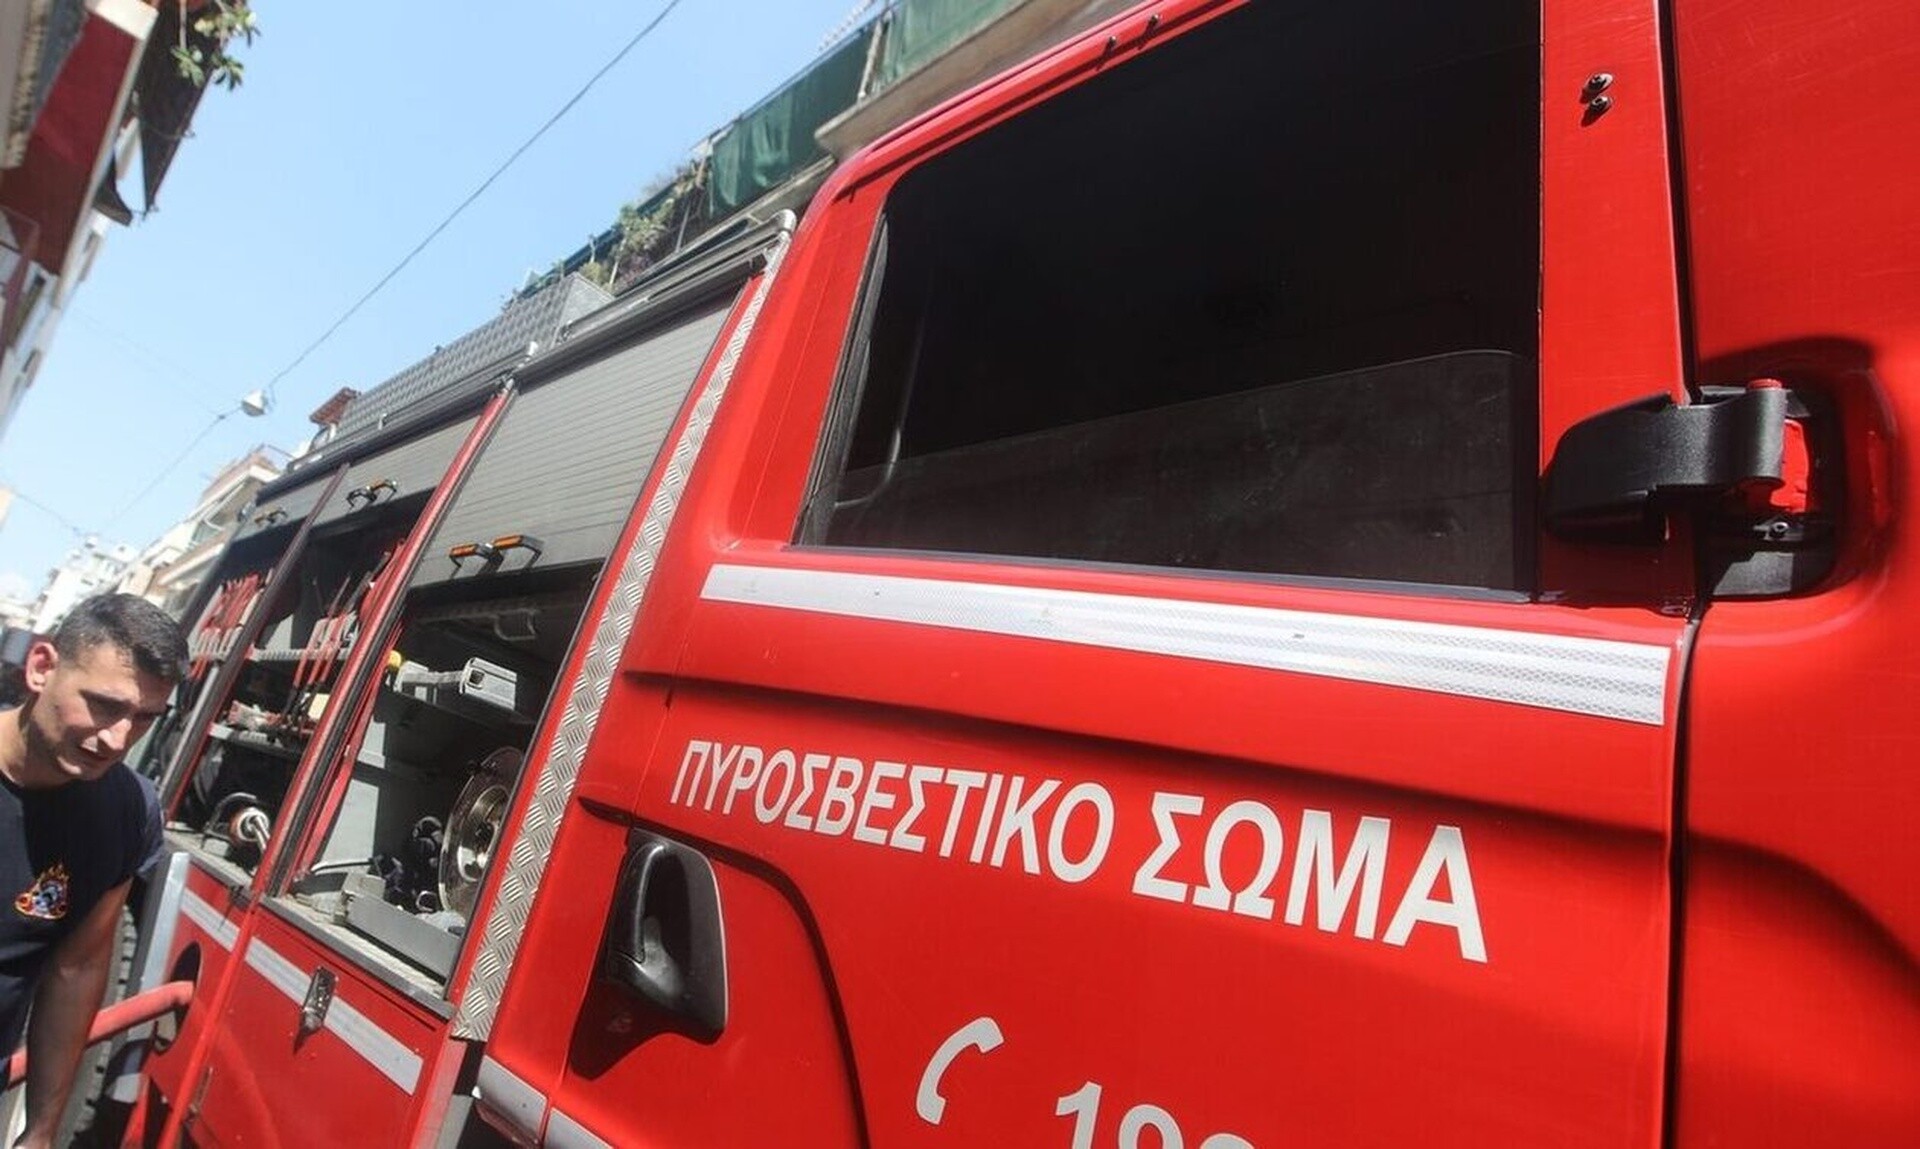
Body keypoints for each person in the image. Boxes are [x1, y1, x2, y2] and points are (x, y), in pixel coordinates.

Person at [0, 595, 180, 1149]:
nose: (118, 739)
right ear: (41, 668)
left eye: (144, 718)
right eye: (104, 705)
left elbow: (75, 971)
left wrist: (41, 1131)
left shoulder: (127, 814)